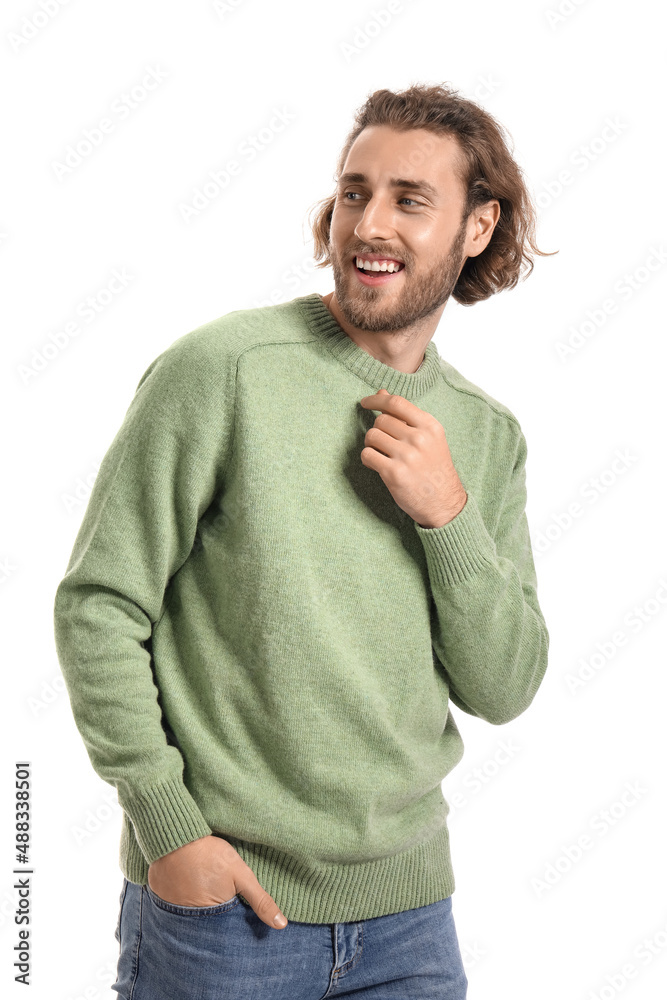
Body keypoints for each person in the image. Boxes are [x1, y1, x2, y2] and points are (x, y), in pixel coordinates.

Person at [53, 82, 553, 999]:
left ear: (476, 229)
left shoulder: (485, 435)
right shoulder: (225, 371)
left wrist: (446, 516)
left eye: (410, 200)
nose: (367, 225)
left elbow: (504, 685)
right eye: (354, 191)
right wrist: (171, 831)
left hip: (411, 923)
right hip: (224, 917)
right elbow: (99, 606)